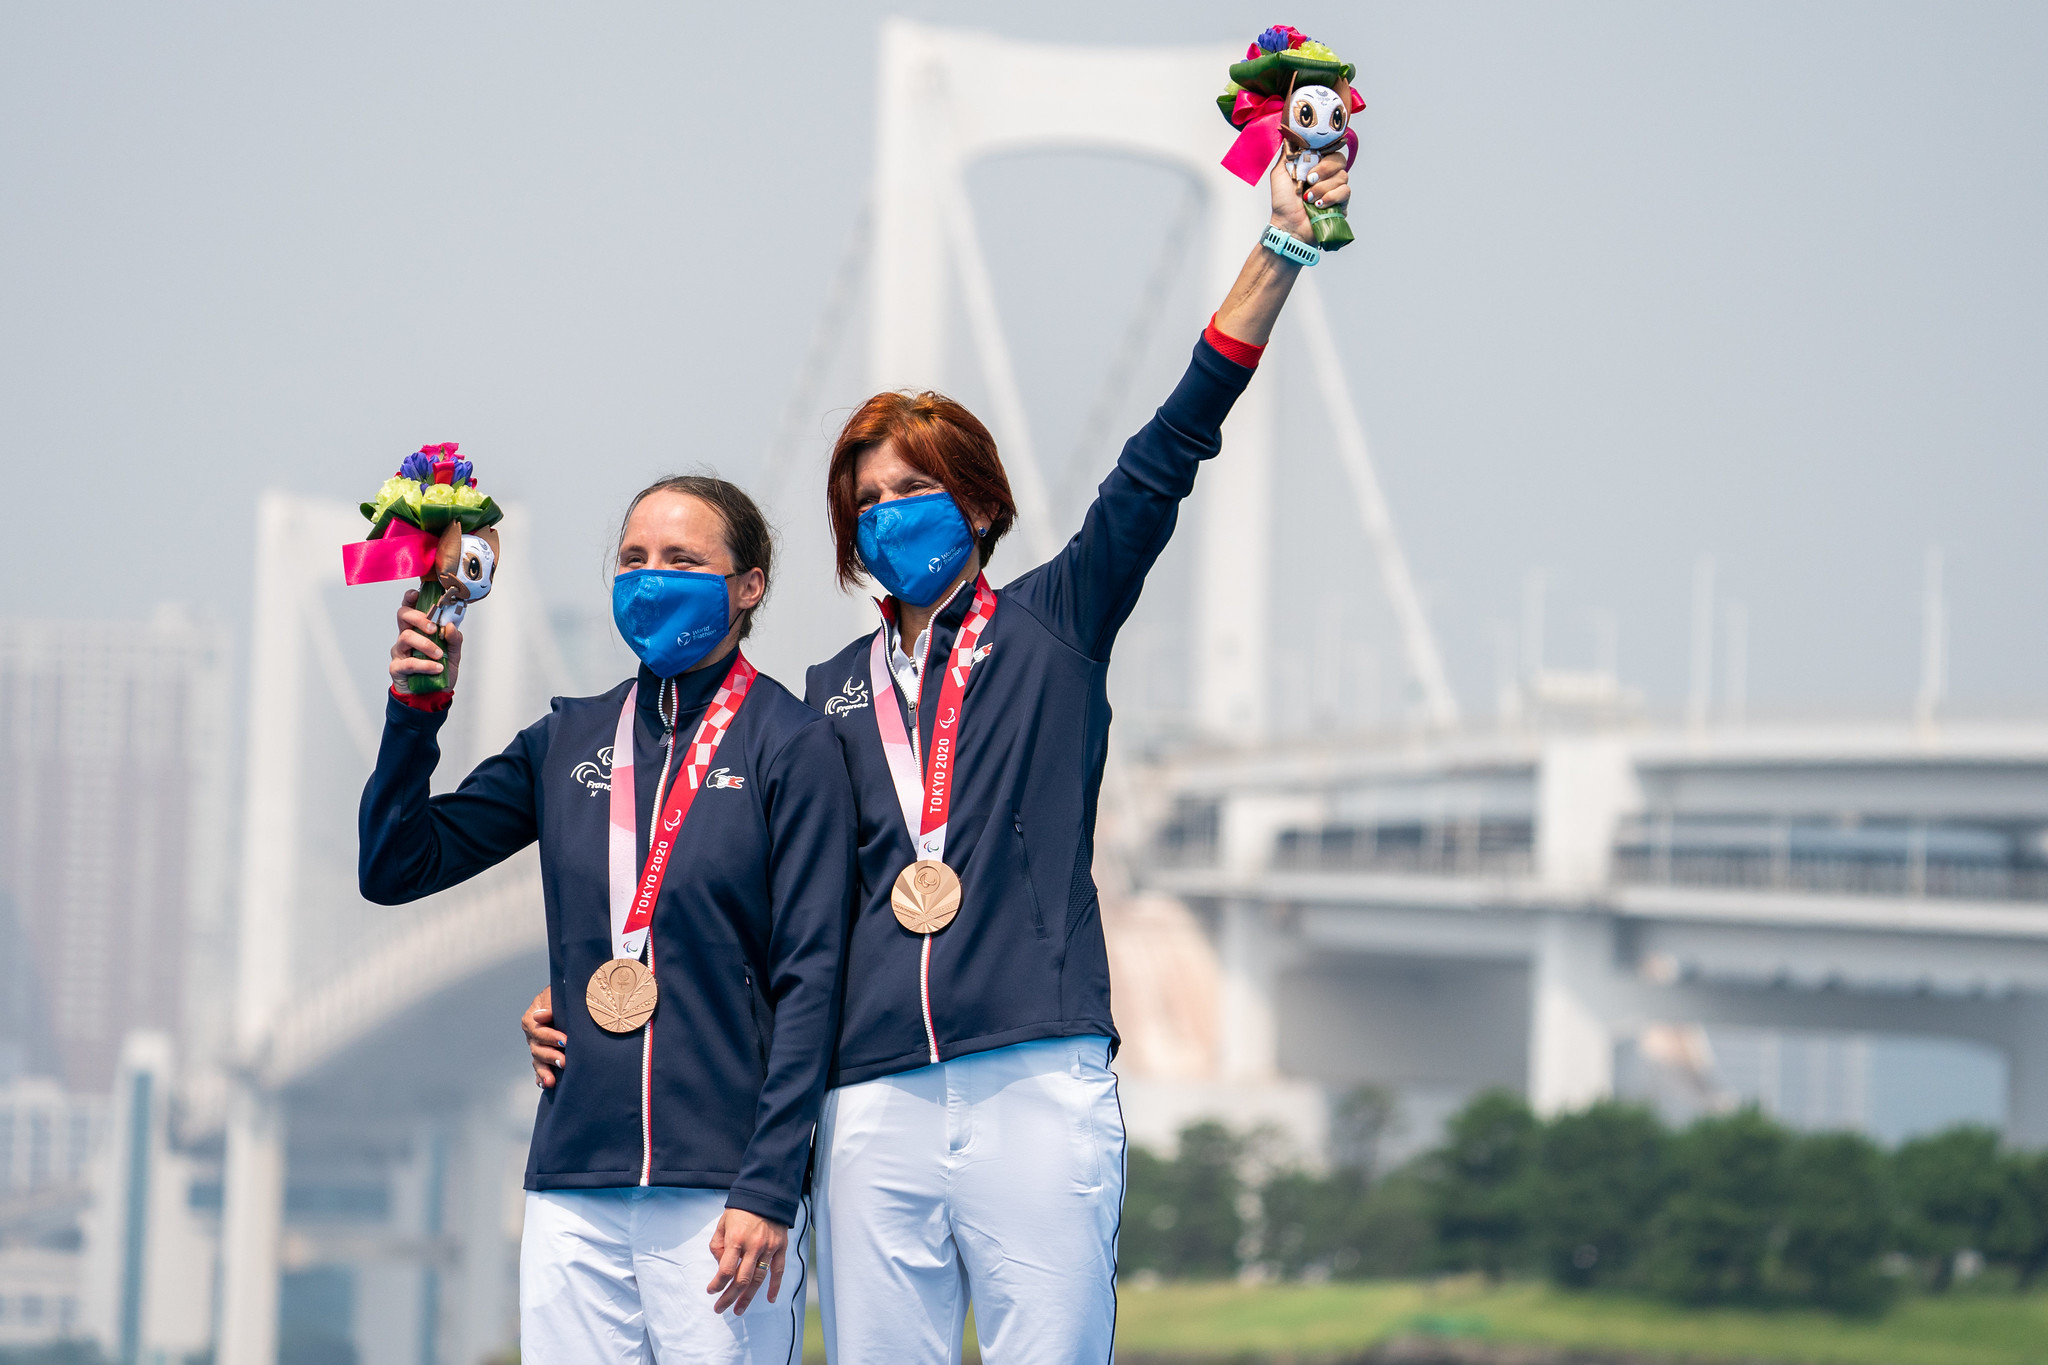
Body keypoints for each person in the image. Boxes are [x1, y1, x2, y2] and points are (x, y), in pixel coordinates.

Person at [526, 144, 1350, 1362]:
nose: (888, 512)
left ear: (977, 502)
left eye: (914, 486)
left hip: (1035, 1072)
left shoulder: (1057, 629)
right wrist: (587, 998)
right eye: (864, 499)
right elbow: (743, 906)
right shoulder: (814, 709)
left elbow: (1173, 443)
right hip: (867, 1105)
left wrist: (1277, 247)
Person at [362, 475, 854, 1363]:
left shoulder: (794, 744)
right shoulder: (568, 739)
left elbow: (812, 977)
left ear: (750, 584)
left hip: (721, 1192)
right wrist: (417, 708)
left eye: (683, 559)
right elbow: (397, 866)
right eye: (633, 559)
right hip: (571, 1186)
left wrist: (773, 1182)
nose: (652, 576)